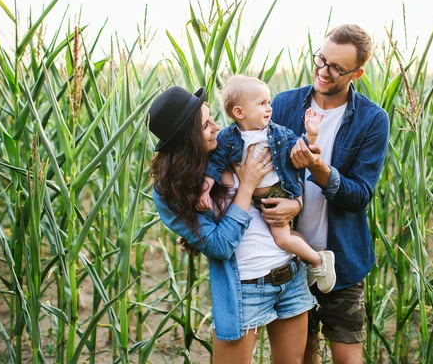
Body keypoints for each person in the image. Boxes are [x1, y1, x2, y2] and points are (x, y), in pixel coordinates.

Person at [148, 85, 316, 364]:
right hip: (245, 289)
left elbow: (289, 183)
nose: (216, 126)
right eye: (205, 124)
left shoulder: (235, 144)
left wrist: (296, 204)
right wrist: (246, 185)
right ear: (186, 138)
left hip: (291, 276)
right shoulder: (171, 190)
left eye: (211, 117)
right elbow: (220, 245)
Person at [266, 24, 390, 364]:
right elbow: (260, 169)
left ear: (357, 73)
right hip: (286, 260)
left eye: (336, 68)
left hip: (342, 260)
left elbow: (359, 196)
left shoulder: (373, 120)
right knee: (301, 353)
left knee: (348, 356)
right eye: (321, 59)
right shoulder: (283, 104)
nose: (323, 71)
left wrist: (320, 171)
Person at [197, 75, 336, 293]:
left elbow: (297, 149)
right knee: (287, 235)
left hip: (278, 193)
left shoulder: (277, 133)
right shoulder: (227, 138)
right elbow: (214, 166)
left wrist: (310, 135)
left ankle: (318, 260)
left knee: (281, 238)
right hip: (257, 199)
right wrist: (205, 191)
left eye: (269, 102)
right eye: (262, 103)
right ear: (239, 113)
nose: (269, 108)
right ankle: (306, 254)